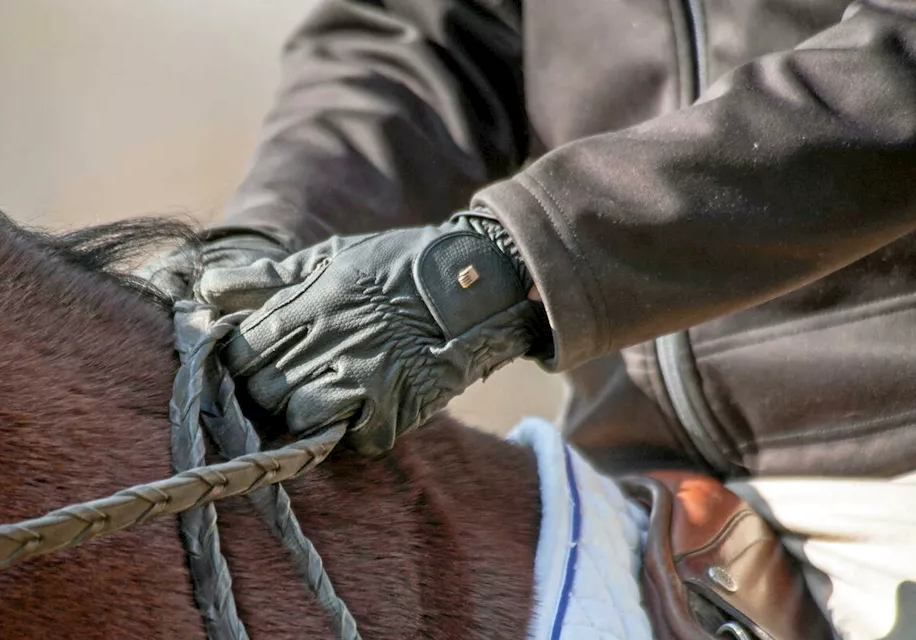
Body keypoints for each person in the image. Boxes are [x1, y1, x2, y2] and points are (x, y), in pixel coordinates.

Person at [143, 0, 916, 479]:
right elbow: (417, 37)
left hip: (889, 445)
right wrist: (267, 251)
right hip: (625, 454)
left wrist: (498, 266)